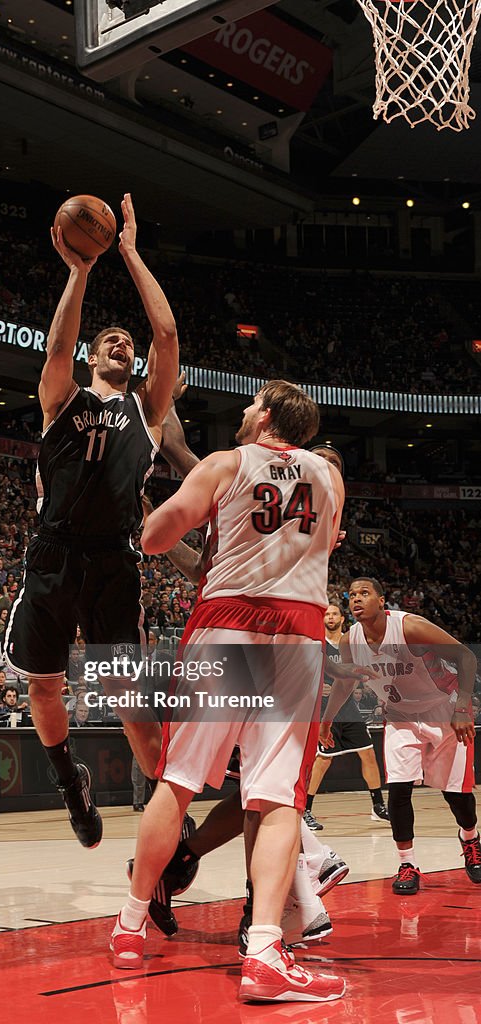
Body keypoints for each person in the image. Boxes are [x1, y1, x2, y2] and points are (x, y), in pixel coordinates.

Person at [112, 380, 347, 1004]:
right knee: (276, 797)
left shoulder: (224, 463)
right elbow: (315, 545)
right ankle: (265, 947)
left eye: (250, 404)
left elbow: (158, 538)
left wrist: (147, 515)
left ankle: (130, 924)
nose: (242, 411)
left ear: (266, 415)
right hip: (296, 634)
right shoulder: (329, 476)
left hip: (226, 622)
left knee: (179, 779)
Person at [2, 193, 178, 849]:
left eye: (124, 341)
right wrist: (78, 272)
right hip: (52, 554)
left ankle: (168, 812)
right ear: (90, 356)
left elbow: (164, 335)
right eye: (108, 338)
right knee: (45, 687)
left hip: (112, 559)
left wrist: (127, 250)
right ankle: (67, 781)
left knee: (132, 699)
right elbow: (55, 345)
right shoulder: (61, 400)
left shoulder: (146, 413)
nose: (119, 341)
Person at [321, 577, 481, 895]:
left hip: (443, 712)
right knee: (399, 792)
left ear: (382, 601)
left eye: (365, 593)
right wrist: (327, 721)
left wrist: (463, 706)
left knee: (457, 797)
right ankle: (407, 863)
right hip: (399, 718)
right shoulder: (350, 641)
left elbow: (466, 657)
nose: (356, 599)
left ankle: (471, 840)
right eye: (351, 595)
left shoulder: (410, 627)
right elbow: (344, 683)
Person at [304, 603, 389, 830]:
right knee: (323, 760)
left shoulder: (351, 644)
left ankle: (378, 806)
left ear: (342, 618)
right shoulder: (315, 644)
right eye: (326, 614)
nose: (329, 617)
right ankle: (306, 810)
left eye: (333, 614)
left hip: (349, 707)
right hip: (324, 709)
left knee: (368, 754)